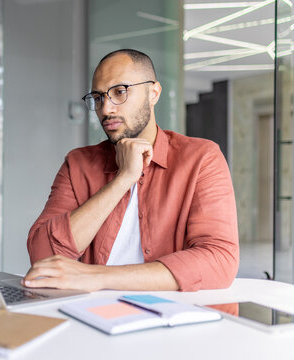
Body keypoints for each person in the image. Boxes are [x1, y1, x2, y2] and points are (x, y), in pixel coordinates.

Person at [23, 49, 239, 292]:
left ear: (153, 93)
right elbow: (43, 256)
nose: (106, 109)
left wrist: (98, 277)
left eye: (120, 92)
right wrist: (122, 179)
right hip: (90, 314)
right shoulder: (78, 163)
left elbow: (219, 260)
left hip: (168, 316)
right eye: (98, 98)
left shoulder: (201, 158)